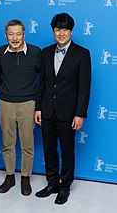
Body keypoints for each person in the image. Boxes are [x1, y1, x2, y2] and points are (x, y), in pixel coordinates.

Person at [35, 13, 91, 204]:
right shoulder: (46, 52)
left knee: (67, 151)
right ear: (53, 31)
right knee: (49, 149)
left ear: (71, 31)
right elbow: (41, 83)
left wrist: (80, 114)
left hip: (68, 113)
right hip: (48, 110)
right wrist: (38, 108)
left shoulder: (82, 54)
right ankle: (52, 183)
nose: (61, 33)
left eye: (65, 29)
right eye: (58, 29)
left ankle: (64, 186)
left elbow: (84, 86)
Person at [0, 19, 41, 196]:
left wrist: (38, 105)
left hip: (28, 104)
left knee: (27, 144)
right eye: (11, 34)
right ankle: (9, 176)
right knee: (7, 143)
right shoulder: (1, 51)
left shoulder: (36, 52)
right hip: (6, 103)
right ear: (6, 35)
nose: (14, 38)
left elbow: (44, 80)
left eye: (18, 33)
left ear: (24, 34)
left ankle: (25, 178)